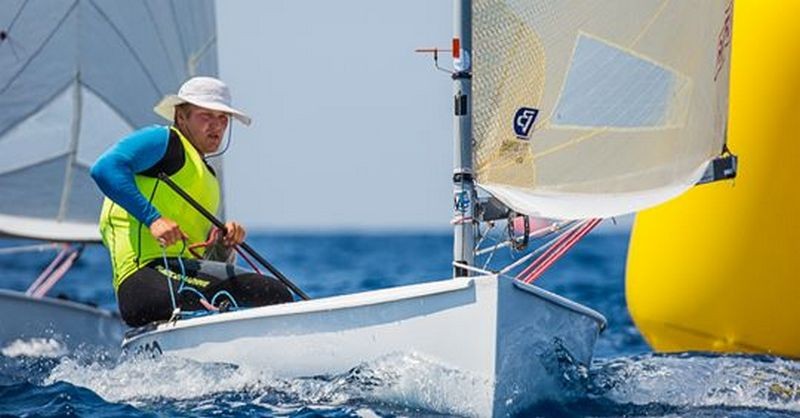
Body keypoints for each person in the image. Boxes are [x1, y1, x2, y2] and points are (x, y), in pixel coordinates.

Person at [91, 76, 293, 327]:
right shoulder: (165, 140)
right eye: (205, 116)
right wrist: (154, 220)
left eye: (223, 118)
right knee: (272, 294)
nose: (216, 126)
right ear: (181, 116)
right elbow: (105, 168)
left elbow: (206, 263)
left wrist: (223, 244)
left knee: (273, 294)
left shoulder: (209, 179)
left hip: (179, 278)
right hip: (143, 279)